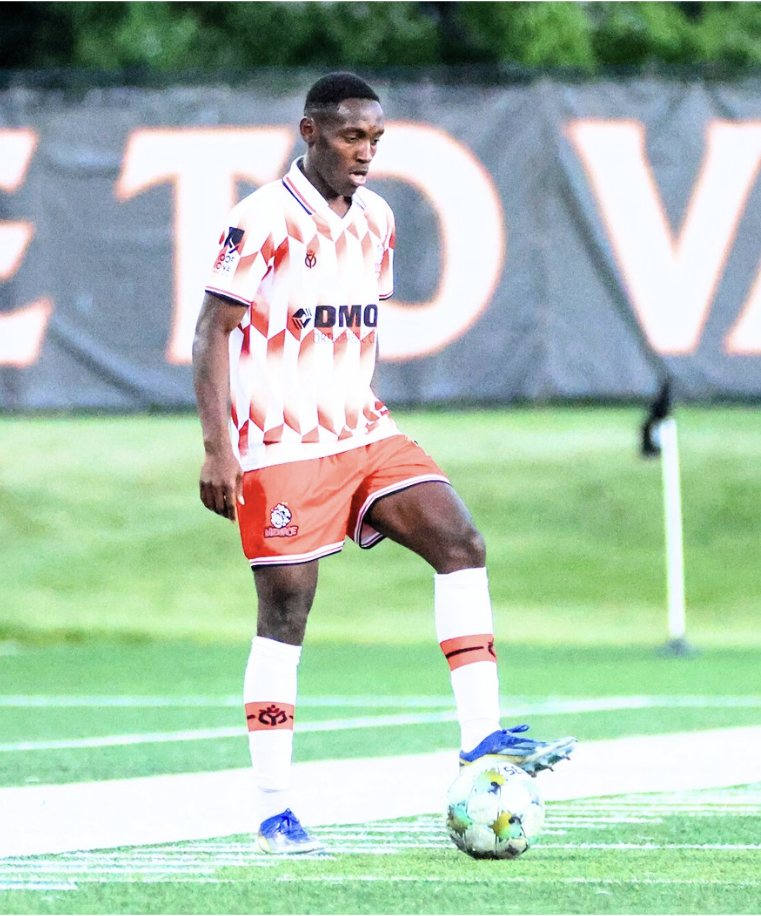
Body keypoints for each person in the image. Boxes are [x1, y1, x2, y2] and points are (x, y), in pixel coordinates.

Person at [192, 72, 576, 855]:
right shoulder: (260, 219)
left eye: (374, 139)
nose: (365, 153)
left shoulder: (378, 220)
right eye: (349, 137)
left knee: (459, 540)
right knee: (287, 614)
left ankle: (481, 738)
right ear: (308, 132)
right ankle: (273, 808)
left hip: (362, 430)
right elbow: (212, 333)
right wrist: (218, 448)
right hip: (281, 445)